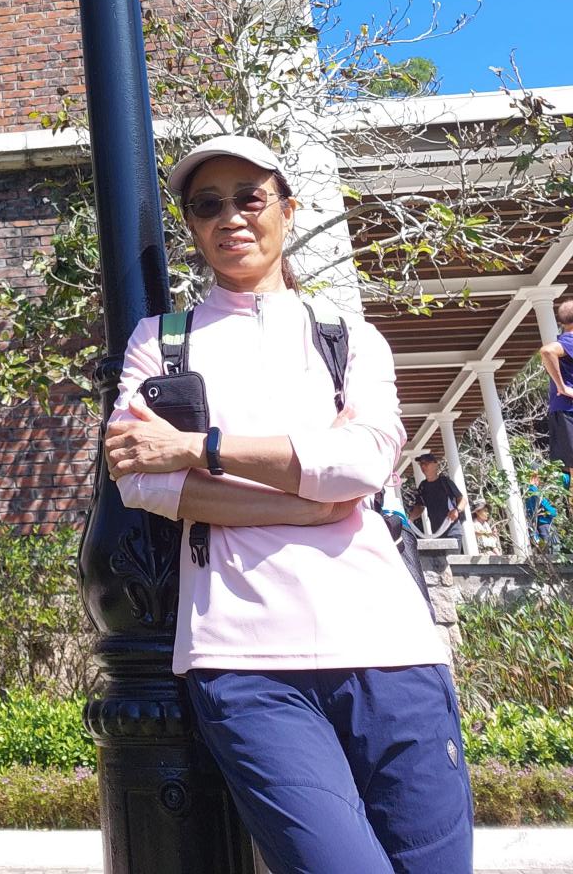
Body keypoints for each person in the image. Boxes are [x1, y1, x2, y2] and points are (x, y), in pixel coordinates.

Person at [104, 134, 472, 874]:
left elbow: (363, 461)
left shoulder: (345, 336)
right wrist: (307, 500)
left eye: (250, 198)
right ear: (192, 225)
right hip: (245, 662)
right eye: (208, 205)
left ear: (287, 209)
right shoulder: (162, 342)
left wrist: (199, 448)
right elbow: (139, 478)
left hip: (391, 650)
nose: (231, 217)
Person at [539, 297, 573, 477]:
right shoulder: (570, 341)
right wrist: (563, 387)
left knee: (567, 467)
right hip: (568, 410)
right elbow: (547, 351)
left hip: (562, 411)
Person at [409, 453, 465, 545]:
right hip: (437, 533)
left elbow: (462, 499)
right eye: (421, 464)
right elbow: (420, 506)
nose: (423, 466)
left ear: (435, 464)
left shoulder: (445, 482)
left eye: (426, 463)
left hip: (452, 531)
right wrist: (410, 518)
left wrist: (457, 510)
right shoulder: (423, 486)